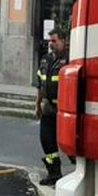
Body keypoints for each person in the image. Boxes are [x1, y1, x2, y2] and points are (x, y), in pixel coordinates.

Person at [35, 27, 68, 186]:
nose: (51, 44)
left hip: (65, 110)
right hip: (48, 108)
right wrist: (37, 104)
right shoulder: (45, 60)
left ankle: (79, 176)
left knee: (70, 145)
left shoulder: (69, 59)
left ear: (63, 41)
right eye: (50, 41)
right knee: (47, 142)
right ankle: (54, 173)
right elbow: (40, 85)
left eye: (54, 41)